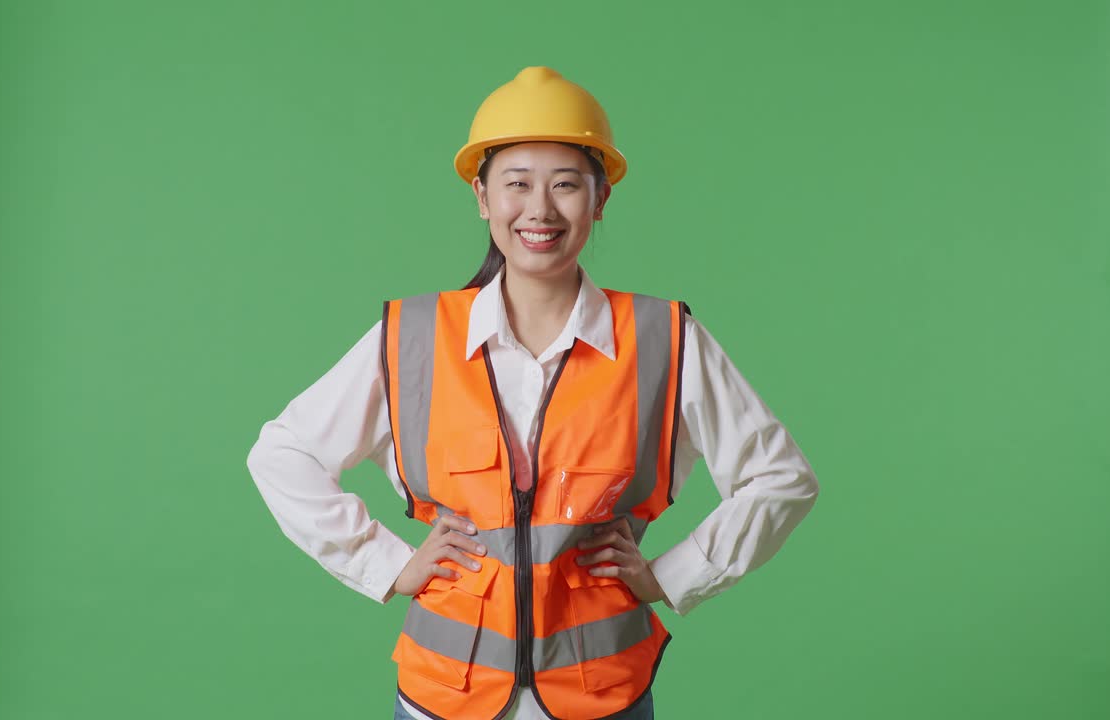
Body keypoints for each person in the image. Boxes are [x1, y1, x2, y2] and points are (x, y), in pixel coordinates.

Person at [247, 66, 820, 720]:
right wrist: (387, 565)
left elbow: (781, 478)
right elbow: (282, 454)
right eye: (516, 183)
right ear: (482, 196)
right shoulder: (413, 339)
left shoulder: (663, 339)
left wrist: (670, 576)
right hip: (443, 700)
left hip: (603, 698)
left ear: (600, 200)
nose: (540, 209)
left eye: (566, 185)